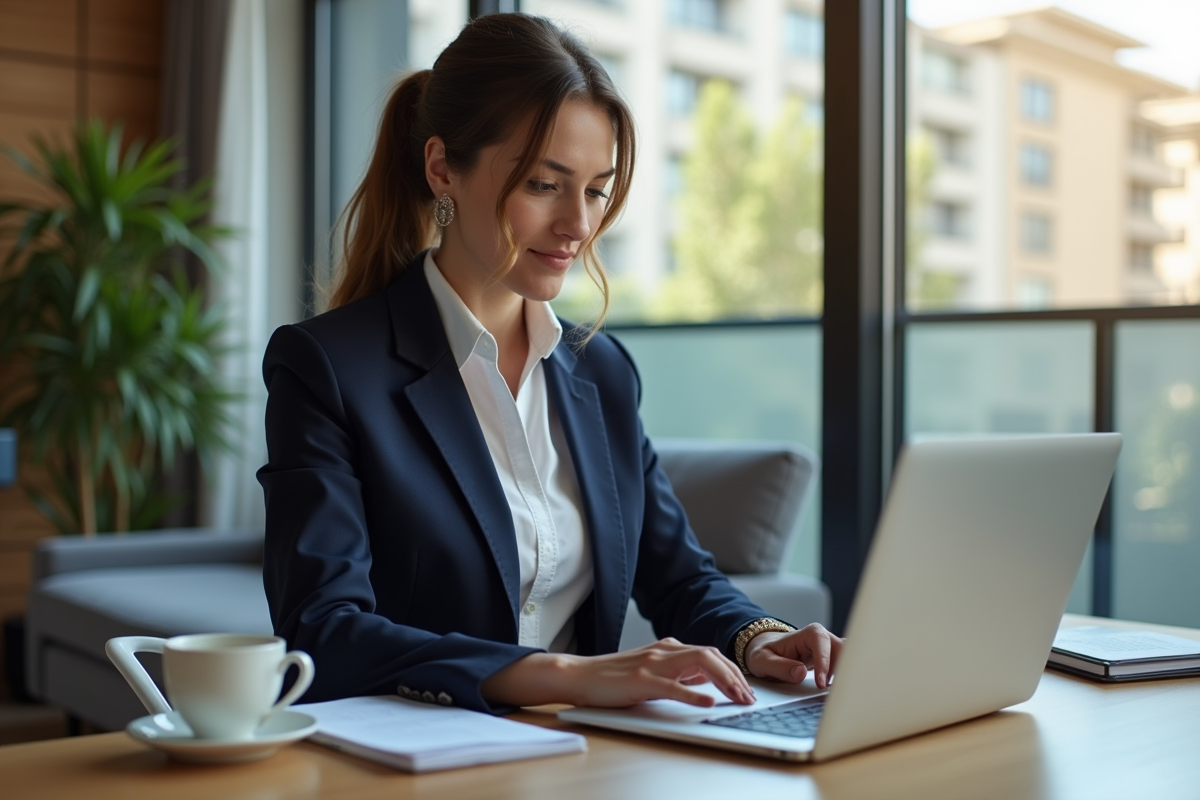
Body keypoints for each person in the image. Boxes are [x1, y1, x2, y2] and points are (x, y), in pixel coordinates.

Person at [258, 13, 841, 715]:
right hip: (424, 756)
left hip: (590, 753)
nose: (579, 224)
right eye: (544, 184)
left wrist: (759, 638)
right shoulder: (326, 368)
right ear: (442, 168)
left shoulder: (602, 372)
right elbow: (322, 631)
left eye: (596, 189)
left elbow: (678, 575)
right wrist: (561, 675)